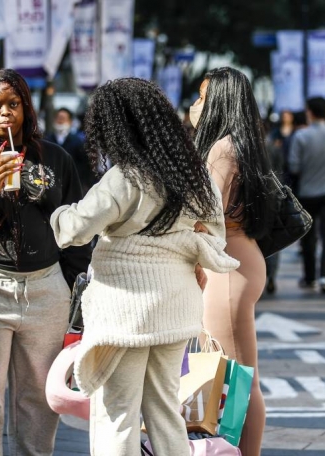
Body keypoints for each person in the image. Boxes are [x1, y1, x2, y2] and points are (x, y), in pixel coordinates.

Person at [50, 78, 238, 456]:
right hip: (176, 305)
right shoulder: (195, 176)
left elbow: (72, 230)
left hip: (126, 311)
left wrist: (56, 209)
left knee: (117, 411)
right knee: (166, 410)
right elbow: (216, 237)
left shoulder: (126, 177)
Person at [0, 68, 91, 455]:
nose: (5, 113)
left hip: (45, 292)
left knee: (39, 402)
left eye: (14, 104)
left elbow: (76, 228)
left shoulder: (55, 158)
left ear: (26, 106)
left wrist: (69, 285)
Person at [192, 67, 273, 456]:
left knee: (238, 377)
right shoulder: (242, 143)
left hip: (227, 268)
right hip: (240, 260)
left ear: (219, 101)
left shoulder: (222, 148)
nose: (196, 105)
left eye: (203, 97)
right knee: (238, 375)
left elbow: (206, 214)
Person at [288, 97, 325, 294]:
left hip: (308, 192)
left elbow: (294, 166)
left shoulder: (301, 136)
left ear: (309, 112)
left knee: (309, 236)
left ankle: (310, 277)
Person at [45, 107, 95, 192]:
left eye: (63, 118)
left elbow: (85, 165)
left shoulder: (78, 142)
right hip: (51, 183)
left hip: (72, 184)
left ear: (70, 121)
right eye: (58, 118)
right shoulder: (47, 140)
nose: (60, 121)